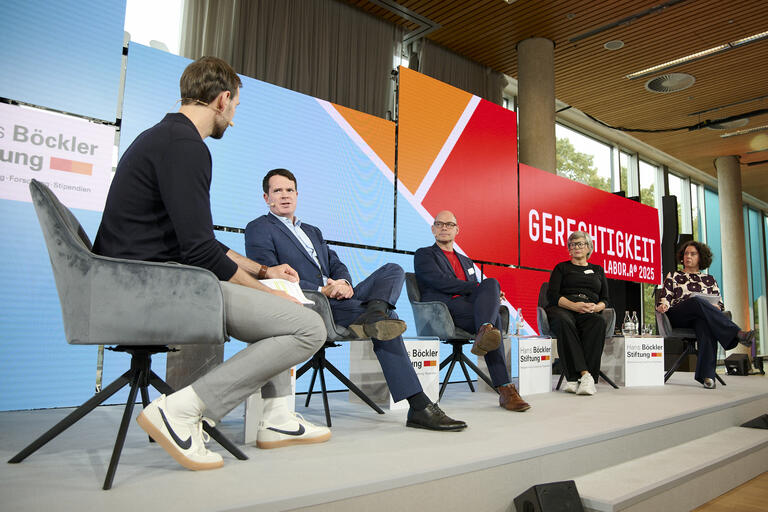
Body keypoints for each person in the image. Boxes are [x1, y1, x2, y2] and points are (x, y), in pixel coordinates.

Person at [93, 57, 331, 471]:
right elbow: (202, 253)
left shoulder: (166, 138)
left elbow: (202, 241)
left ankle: (275, 419)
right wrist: (271, 295)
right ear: (223, 100)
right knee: (307, 325)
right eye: (236, 106)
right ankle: (182, 410)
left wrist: (262, 272)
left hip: (142, 280)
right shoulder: (188, 147)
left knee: (279, 310)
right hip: (152, 288)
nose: (234, 118)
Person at [245, 169, 467, 431]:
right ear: (266, 197)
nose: (284, 196)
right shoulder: (259, 228)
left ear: (297, 194)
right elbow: (271, 276)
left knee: (393, 269)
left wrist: (344, 284)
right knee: (389, 321)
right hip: (312, 303)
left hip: (341, 299)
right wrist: (321, 289)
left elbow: (335, 263)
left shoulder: (311, 231)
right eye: (277, 191)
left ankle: (374, 313)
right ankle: (419, 405)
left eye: (289, 190)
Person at [413, 210, 530, 412]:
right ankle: (505, 389)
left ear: (457, 230)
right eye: (439, 224)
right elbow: (439, 282)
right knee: (494, 318)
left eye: (449, 224)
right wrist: (477, 289)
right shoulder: (424, 254)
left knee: (491, 284)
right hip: (443, 310)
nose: (444, 227)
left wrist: (489, 294)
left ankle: (485, 329)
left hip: (466, 310)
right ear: (433, 229)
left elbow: (476, 288)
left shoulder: (466, 261)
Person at [656, 240, 755, 388]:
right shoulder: (674, 276)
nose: (688, 256)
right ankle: (737, 333)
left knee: (705, 324)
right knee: (696, 302)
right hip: (678, 316)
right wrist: (663, 305)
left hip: (700, 317)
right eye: (686, 254)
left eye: (693, 254)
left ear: (701, 257)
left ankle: (707, 377)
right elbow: (665, 298)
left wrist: (715, 306)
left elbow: (720, 305)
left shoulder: (710, 280)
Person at [545, 231, 609, 396]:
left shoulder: (598, 270)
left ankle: (574, 379)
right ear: (569, 249)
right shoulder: (562, 268)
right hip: (563, 307)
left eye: (580, 243)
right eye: (573, 244)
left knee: (598, 322)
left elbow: (605, 299)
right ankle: (585, 375)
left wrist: (596, 308)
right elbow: (552, 296)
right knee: (565, 321)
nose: (576, 247)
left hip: (588, 310)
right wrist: (574, 306)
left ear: (588, 247)